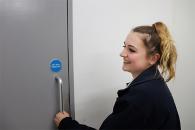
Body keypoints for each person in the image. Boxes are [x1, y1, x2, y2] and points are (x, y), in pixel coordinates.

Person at [54, 22, 181, 129]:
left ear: (153, 58)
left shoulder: (141, 97)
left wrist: (66, 124)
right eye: (124, 46)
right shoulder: (154, 83)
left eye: (131, 49)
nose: (122, 53)